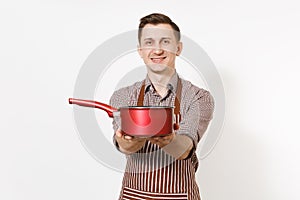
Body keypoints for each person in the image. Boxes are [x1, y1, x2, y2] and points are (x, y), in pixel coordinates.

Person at [109, 13, 214, 200]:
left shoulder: (199, 98)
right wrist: (130, 140)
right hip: (134, 195)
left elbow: (185, 147)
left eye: (165, 42)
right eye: (149, 42)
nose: (157, 50)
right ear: (140, 50)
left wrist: (168, 140)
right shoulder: (123, 96)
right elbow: (124, 146)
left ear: (178, 48)